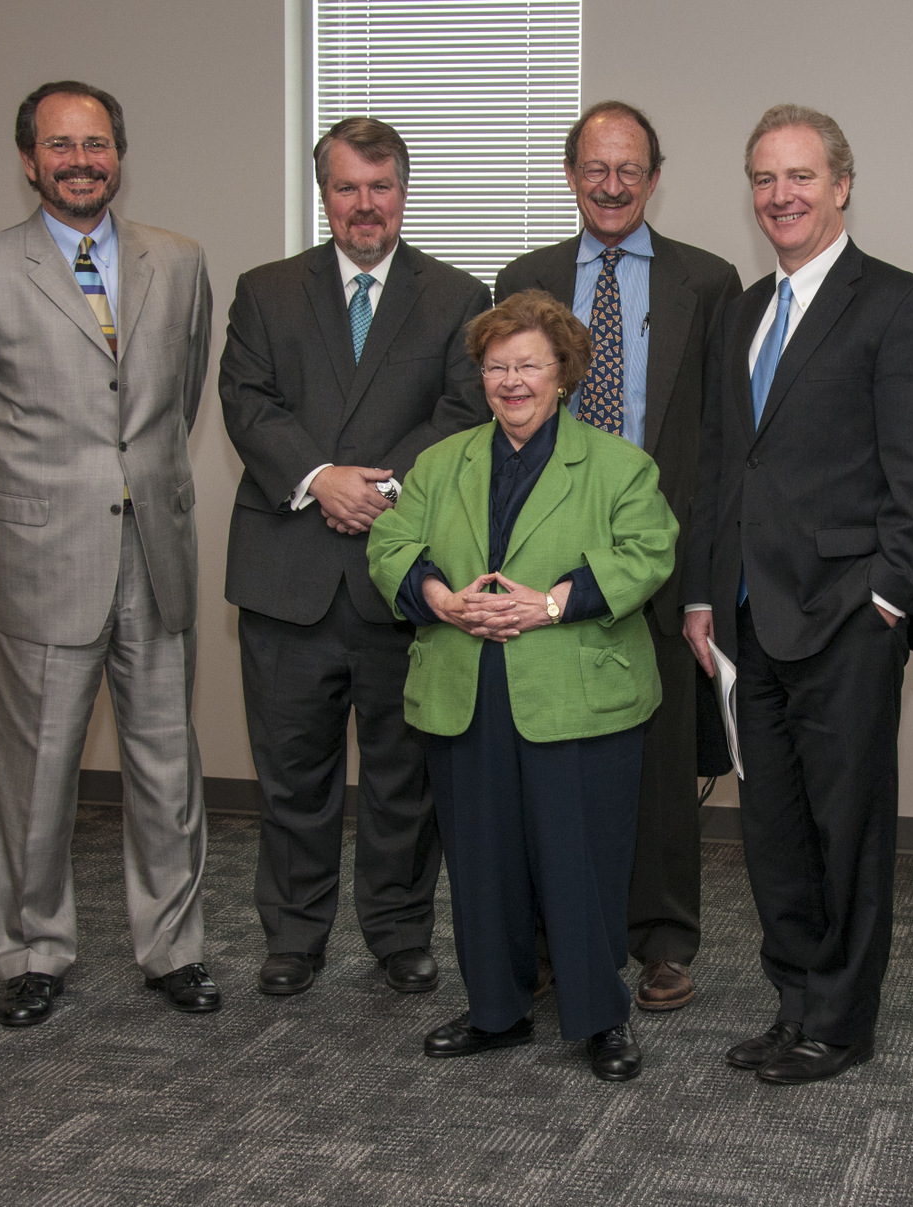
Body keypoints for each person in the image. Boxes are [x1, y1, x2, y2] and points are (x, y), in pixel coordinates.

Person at [0, 80, 217, 1024]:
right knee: (36, 773)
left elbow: (176, 404)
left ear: (118, 155)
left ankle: (172, 947)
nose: (81, 160)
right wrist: (35, 506)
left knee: (168, 769)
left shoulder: (178, 260)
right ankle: (30, 951)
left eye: (96, 144)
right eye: (60, 145)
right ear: (27, 158)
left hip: (157, 556)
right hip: (45, 561)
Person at [683, 105, 913, 1085]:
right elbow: (724, 464)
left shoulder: (898, 303)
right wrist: (703, 595)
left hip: (847, 615)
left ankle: (840, 1020)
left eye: (801, 176)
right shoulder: (739, 311)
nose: (780, 196)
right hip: (749, 618)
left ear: (842, 185)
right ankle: (794, 997)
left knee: (847, 831)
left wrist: (889, 597)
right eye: (764, 179)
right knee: (773, 830)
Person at [367, 289, 677, 1082]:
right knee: (482, 858)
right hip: (466, 685)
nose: (512, 381)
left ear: (564, 373)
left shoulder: (618, 464)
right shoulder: (441, 463)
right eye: (497, 366)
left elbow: (648, 552)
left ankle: (599, 1017)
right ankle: (494, 1011)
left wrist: (551, 603)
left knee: (580, 858)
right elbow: (392, 540)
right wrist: (439, 596)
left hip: (578, 690)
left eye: (529, 365)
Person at [218, 117, 491, 997]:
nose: (364, 205)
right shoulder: (265, 291)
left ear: (404, 193)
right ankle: (294, 935)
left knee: (402, 779)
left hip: (399, 575)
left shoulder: (456, 296)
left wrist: (380, 492)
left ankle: (399, 932)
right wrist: (319, 476)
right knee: (294, 773)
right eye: (347, 187)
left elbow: (463, 410)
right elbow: (247, 401)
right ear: (323, 194)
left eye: (380, 187)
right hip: (286, 572)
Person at [495, 100, 742, 1014]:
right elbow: (500, 414)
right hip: (541, 555)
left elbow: (720, 441)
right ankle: (557, 936)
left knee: (662, 761)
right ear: (570, 174)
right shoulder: (523, 277)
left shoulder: (708, 283)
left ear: (654, 175)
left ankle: (663, 939)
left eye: (629, 168)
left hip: (660, 555)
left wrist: (705, 578)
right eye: (595, 168)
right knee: (549, 754)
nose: (611, 184)